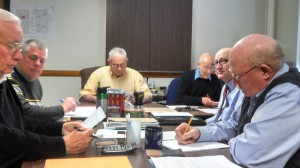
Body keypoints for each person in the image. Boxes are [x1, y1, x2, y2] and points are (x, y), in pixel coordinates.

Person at [175, 34, 300, 167]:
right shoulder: (256, 90)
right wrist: (200, 132)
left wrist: (234, 141)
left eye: (238, 76)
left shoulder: (288, 94)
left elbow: (251, 153)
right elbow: (233, 125)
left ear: (264, 71)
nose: (234, 83)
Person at [0, 9, 94, 167]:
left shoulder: (3, 80)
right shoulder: (9, 79)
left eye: (19, 47)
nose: (17, 56)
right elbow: (5, 138)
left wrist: (59, 128)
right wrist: (61, 144)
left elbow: (20, 122)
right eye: (12, 45)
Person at [9, 39, 77, 121]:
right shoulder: (9, 78)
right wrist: (61, 109)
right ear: (20, 57)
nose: (38, 63)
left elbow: (33, 117)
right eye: (33, 58)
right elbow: (24, 111)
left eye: (42, 61)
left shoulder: (35, 81)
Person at [79, 47, 152, 103]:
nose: (119, 69)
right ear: (109, 62)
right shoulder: (98, 73)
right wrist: (99, 99)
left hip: (128, 111)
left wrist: (137, 99)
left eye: (122, 65)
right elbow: (84, 94)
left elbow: (148, 95)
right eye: (115, 65)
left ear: (126, 61)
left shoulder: (135, 75)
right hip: (104, 110)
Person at [205, 48, 244, 124]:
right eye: (216, 63)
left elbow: (233, 126)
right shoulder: (225, 88)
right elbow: (219, 117)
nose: (218, 67)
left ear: (235, 63)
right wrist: (202, 124)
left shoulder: (243, 89)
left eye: (223, 61)